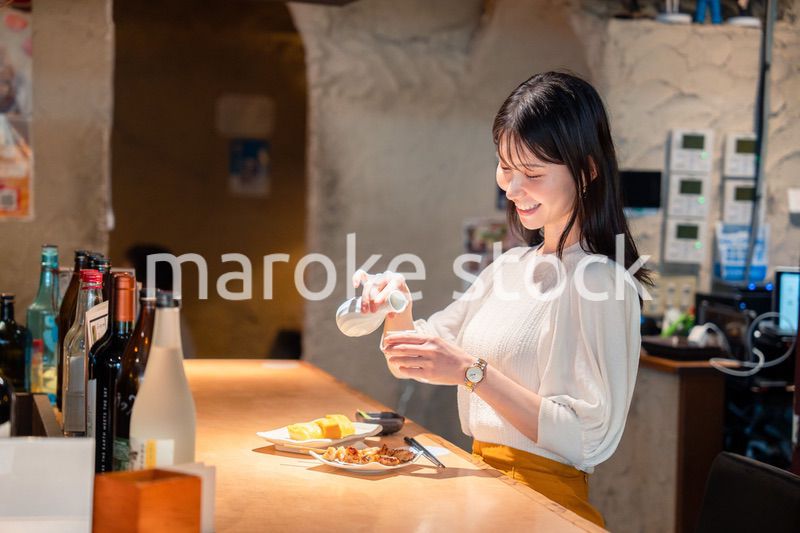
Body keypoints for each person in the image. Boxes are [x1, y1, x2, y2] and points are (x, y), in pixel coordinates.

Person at [354, 72, 652, 528]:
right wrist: (398, 307)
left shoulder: (604, 283)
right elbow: (411, 359)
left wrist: (470, 373)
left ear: (587, 171)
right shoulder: (509, 267)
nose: (512, 191)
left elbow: (586, 440)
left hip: (544, 506)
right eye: (505, 169)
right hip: (481, 489)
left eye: (531, 174)